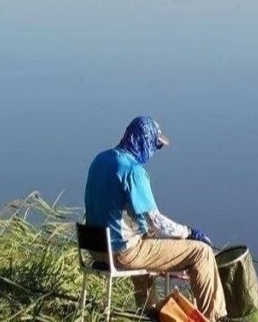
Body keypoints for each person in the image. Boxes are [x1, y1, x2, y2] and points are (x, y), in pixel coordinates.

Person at [83, 116, 228, 321]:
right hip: (122, 254)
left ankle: (149, 311)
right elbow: (157, 222)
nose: (154, 152)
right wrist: (190, 233)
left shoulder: (100, 159)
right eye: (155, 145)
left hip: (96, 250)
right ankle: (215, 318)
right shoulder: (133, 171)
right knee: (201, 252)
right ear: (144, 142)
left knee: (146, 239)